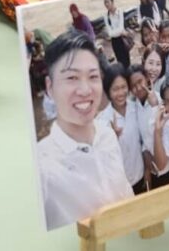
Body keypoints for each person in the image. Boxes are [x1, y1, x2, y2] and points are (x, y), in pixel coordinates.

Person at [36, 31, 134, 229]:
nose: (85, 90)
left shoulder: (107, 136)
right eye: (72, 77)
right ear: (50, 87)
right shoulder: (43, 169)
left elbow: (125, 194)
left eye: (93, 76)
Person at [97, 64, 148, 193]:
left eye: (123, 87)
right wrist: (112, 138)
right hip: (120, 185)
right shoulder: (103, 120)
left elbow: (144, 141)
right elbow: (101, 158)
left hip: (140, 176)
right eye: (115, 89)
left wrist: (147, 170)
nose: (120, 93)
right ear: (108, 91)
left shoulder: (136, 108)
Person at [102, 0, 131, 68]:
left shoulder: (119, 12)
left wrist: (116, 32)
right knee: (120, 62)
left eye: (107, 2)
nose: (106, 4)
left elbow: (121, 28)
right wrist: (119, 32)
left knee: (127, 62)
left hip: (122, 40)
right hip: (115, 42)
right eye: (105, 2)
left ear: (112, 1)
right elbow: (110, 33)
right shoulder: (106, 16)